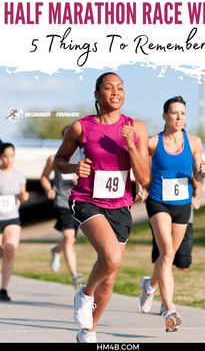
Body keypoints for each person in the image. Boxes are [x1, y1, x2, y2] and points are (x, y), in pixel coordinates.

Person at [53, 72, 150, 343]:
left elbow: (144, 178)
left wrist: (131, 145)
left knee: (109, 278)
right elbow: (59, 161)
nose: (115, 92)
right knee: (111, 257)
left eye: (120, 87)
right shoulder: (81, 127)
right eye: (108, 88)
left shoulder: (136, 127)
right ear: (97, 95)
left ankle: (89, 330)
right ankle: (84, 294)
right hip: (87, 200)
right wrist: (74, 167)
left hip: (120, 205)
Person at [138, 96, 205, 332]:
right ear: (165, 116)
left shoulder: (195, 142)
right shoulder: (152, 143)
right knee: (167, 252)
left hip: (183, 204)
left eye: (183, 114)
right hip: (158, 202)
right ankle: (169, 310)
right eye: (174, 113)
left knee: (167, 257)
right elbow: (139, 167)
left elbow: (197, 175)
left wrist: (202, 173)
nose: (179, 118)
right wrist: (139, 186)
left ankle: (150, 286)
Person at [139, 177, 201, 315]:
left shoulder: (188, 158)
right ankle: (166, 303)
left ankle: (150, 286)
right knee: (167, 255)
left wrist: (197, 198)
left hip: (184, 214)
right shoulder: (159, 157)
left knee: (182, 264)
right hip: (160, 209)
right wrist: (142, 189)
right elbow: (144, 175)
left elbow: (198, 183)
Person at [40, 126, 83, 289]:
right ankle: (75, 276)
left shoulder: (82, 158)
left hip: (78, 202)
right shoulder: (54, 159)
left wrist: (79, 181)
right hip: (61, 201)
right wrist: (48, 189)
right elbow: (44, 177)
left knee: (69, 239)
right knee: (69, 237)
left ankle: (56, 251)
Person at [0, 142, 29, 301]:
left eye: (11, 156)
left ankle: (3, 290)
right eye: (5, 156)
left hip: (12, 217)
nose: (9, 159)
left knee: (9, 251)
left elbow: (22, 194)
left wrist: (24, 197)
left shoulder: (20, 175)